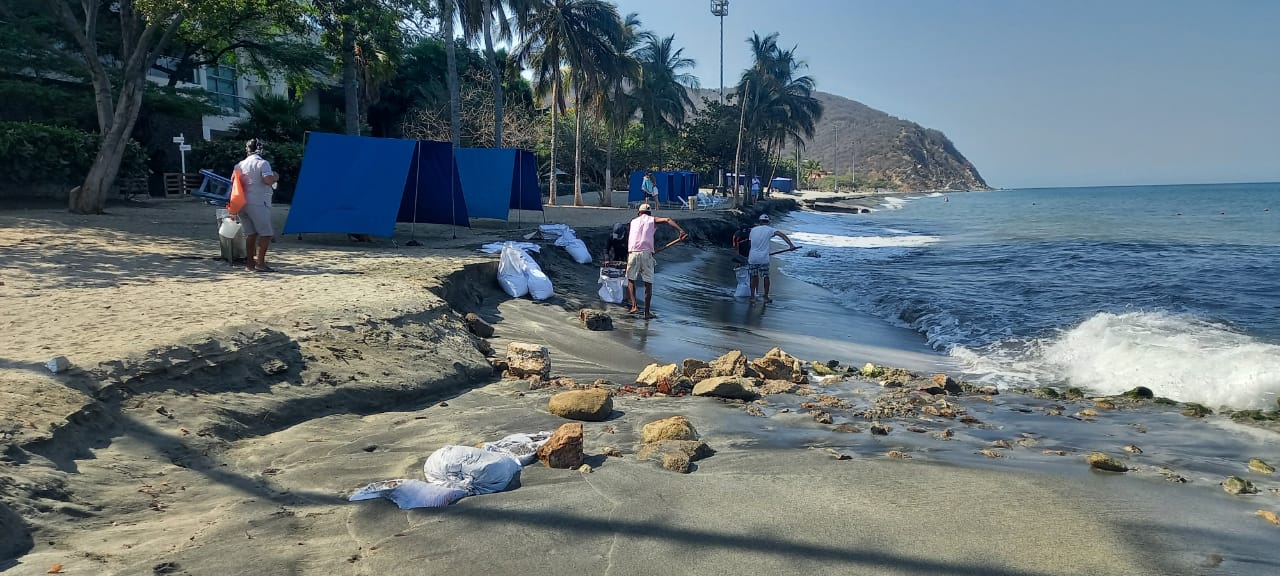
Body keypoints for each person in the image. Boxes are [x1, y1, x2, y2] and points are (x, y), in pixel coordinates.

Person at [625, 203, 687, 319]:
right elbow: (668, 219)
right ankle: (647, 312)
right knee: (648, 284)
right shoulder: (652, 220)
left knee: (631, 279)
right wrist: (681, 231)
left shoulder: (633, 221)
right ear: (649, 213)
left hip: (633, 252)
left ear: (639, 213)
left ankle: (634, 306)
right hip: (646, 254)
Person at [234, 138, 279, 272]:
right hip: (258, 202)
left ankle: (249, 263)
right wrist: (275, 177)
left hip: (242, 202)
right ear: (260, 149)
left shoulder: (239, 165)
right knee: (266, 234)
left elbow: (234, 181)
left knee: (250, 234)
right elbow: (267, 180)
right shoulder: (263, 163)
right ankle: (260, 262)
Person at [747, 213, 797, 303]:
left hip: (753, 257)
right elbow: (781, 235)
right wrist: (791, 245)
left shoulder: (753, 230)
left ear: (759, 221)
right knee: (766, 276)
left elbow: (750, 244)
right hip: (763, 258)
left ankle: (752, 297)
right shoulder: (770, 230)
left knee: (754, 276)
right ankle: (766, 296)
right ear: (768, 222)